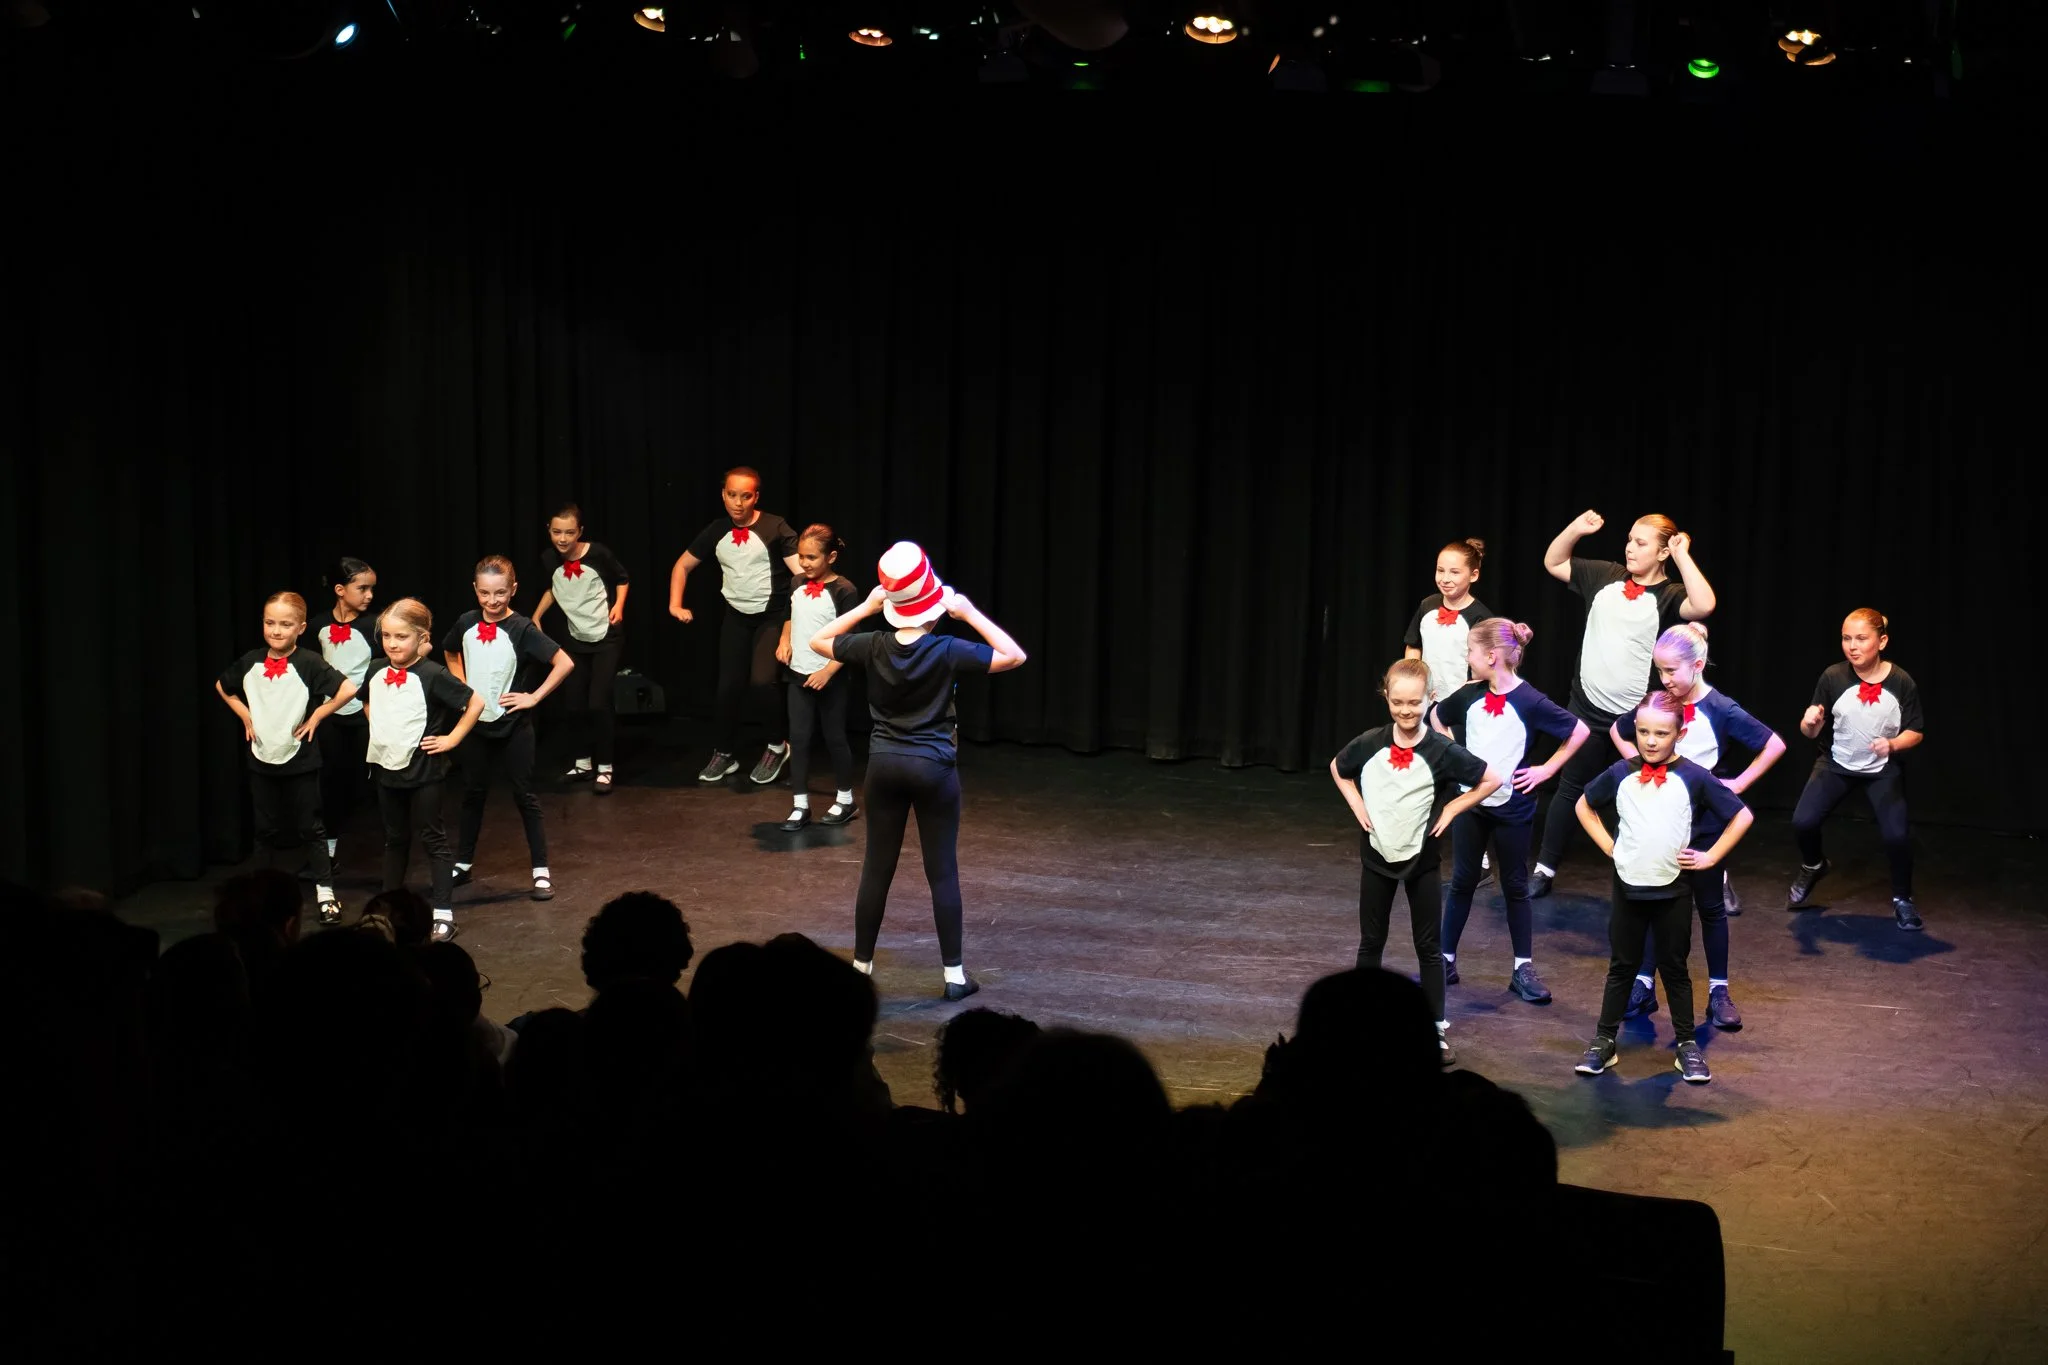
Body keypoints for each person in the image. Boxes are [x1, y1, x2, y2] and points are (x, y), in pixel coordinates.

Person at [808, 541, 1027, 999]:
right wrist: (968, 612)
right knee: (941, 871)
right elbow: (1013, 656)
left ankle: (860, 968)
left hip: (884, 766)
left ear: (891, 604)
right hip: (933, 769)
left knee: (876, 868)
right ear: (933, 604)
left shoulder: (873, 645)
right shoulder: (946, 648)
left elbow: (818, 641)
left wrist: (866, 608)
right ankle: (954, 977)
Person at [1609, 623, 1786, 1028]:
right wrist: (1638, 764)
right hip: (1659, 821)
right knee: (1653, 900)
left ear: (1698, 665)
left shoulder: (1720, 708)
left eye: (1672, 671)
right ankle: (1643, 984)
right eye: (1660, 671)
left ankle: (1719, 991)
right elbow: (1618, 730)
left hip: (1703, 824)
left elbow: (1773, 744)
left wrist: (1738, 783)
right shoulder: (1660, 704)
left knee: (1709, 907)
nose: (1665, 679)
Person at [1531, 510, 1715, 897]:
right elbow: (1554, 562)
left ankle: (1655, 869)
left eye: (1641, 543)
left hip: (1637, 721)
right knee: (1570, 788)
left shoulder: (1669, 595)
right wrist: (1575, 529)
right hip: (1586, 708)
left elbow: (1703, 605)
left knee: (1644, 793)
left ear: (1662, 552)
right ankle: (1545, 868)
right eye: (1630, 539)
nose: (1630, 547)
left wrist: (1682, 554)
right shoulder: (1604, 575)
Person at [1573, 690, 1752, 1083]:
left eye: (1661, 733)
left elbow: (1741, 815)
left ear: (1680, 734)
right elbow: (1583, 804)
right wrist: (1609, 846)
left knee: (1674, 967)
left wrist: (1710, 857)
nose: (1651, 741)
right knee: (1622, 965)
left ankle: (1686, 1044)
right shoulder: (1621, 772)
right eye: (1643, 732)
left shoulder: (1694, 777)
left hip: (1673, 890)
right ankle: (1604, 1040)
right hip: (1628, 886)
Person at [1331, 657, 1503, 1066]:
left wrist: (1454, 808)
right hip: (1377, 856)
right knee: (1371, 941)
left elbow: (1492, 779)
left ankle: (1434, 1029)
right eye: (1398, 703)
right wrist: (1356, 803)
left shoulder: (1441, 750)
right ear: (1386, 698)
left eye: (1414, 703)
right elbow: (1339, 768)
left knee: (1428, 946)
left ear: (1430, 698)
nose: (1406, 711)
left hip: (1422, 859)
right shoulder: (1370, 742)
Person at [1431, 619, 1588, 1005]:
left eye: (1470, 652)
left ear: (1491, 656)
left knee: (1515, 885)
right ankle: (1444, 961)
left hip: (1513, 806)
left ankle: (1522, 968)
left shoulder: (1529, 700)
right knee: (1464, 879)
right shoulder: (1469, 694)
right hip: (1472, 803)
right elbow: (1437, 716)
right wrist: (1455, 754)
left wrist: (1546, 769)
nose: (1467, 658)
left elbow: (1579, 731)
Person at [214, 591, 357, 925]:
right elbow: (223, 686)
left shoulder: (308, 662)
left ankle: (325, 893)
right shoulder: (251, 661)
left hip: (300, 759)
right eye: (270, 623)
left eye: (285, 624)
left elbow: (347, 689)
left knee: (311, 827)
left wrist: (318, 715)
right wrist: (245, 715)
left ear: (301, 628)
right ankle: (259, 895)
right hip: (262, 757)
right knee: (264, 830)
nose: (276, 631)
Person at [442, 556, 575, 901]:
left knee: (524, 795)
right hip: (476, 726)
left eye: (500, 593)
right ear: (475, 590)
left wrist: (534, 697)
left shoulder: (522, 628)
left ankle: (541, 871)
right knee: (473, 793)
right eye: (485, 593)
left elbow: (564, 662)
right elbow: (451, 651)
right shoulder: (466, 622)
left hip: (513, 726)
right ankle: (463, 863)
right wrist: (462, 688)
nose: (492, 600)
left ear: (513, 590)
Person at [1788, 608, 1926, 930]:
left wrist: (1893, 744)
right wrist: (1809, 722)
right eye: (1846, 638)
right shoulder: (1832, 676)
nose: (1852, 646)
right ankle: (1814, 865)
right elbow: (1810, 731)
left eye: (1861, 638)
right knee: (1803, 822)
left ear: (1882, 641)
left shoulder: (1901, 681)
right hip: (1836, 763)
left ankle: (1902, 899)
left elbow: (1916, 730)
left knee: (1897, 836)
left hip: (1882, 769)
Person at [669, 467, 803, 787]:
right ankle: (725, 752)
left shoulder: (775, 527)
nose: (738, 503)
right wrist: (675, 603)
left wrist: (792, 625)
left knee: (762, 682)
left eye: (745, 496)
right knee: (727, 687)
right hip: (737, 617)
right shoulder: (717, 530)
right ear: (723, 495)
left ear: (756, 497)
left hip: (772, 617)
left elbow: (802, 574)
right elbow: (682, 565)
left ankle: (777, 746)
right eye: (732, 495)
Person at [363, 598, 484, 942]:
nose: (392, 644)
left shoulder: (432, 674)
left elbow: (475, 702)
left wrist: (451, 739)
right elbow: (367, 700)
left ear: (421, 638)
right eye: (387, 636)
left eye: (401, 636)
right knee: (395, 838)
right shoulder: (375, 669)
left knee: (433, 838)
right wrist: (381, 729)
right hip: (386, 768)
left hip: (424, 771)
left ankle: (443, 912)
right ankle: (385, 910)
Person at [532, 503, 630, 793]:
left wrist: (619, 606)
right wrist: (537, 615)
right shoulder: (549, 558)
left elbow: (622, 579)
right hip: (575, 638)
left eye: (569, 533)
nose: (562, 539)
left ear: (580, 532)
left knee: (598, 703)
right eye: (557, 532)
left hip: (606, 638)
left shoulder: (598, 554)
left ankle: (605, 767)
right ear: (549, 531)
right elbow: (554, 587)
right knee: (574, 703)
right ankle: (583, 763)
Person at [777, 524, 862, 831]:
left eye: (811, 557)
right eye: (801, 556)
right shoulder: (796, 582)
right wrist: (784, 640)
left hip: (830, 676)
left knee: (834, 737)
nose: (804, 563)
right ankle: (800, 804)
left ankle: (846, 799)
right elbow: (789, 616)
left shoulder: (845, 590)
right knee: (798, 739)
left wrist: (827, 671)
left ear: (831, 557)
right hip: (798, 672)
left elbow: (850, 639)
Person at [313, 556, 378, 868]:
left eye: (372, 589)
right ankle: (328, 851)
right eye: (362, 588)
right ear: (340, 590)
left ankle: (385, 851)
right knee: (330, 783)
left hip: (364, 715)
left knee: (371, 782)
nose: (369, 595)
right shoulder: (318, 626)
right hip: (331, 716)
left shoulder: (375, 625)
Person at [1403, 537, 1495, 706]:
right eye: (1440, 570)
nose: (1445, 579)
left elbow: (1487, 667)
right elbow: (1414, 645)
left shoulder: (1481, 618)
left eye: (1454, 572)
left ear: (1473, 575)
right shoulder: (1427, 605)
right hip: (1426, 699)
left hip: (1463, 703)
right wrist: (1413, 679)